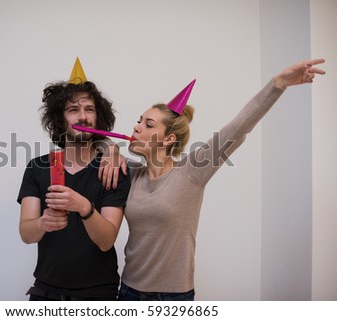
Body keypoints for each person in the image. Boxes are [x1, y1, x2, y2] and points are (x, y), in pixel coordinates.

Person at [113, 58, 326, 300]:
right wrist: (110, 151)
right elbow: (87, 155)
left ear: (168, 139)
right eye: (139, 121)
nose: (137, 127)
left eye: (148, 124)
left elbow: (237, 129)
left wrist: (277, 84)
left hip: (171, 297)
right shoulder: (129, 174)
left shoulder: (191, 171)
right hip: (128, 291)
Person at [17, 57, 131, 300]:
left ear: (98, 120)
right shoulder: (37, 167)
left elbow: (106, 241)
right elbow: (27, 234)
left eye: (89, 109)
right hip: (45, 292)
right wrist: (42, 223)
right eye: (73, 110)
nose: (82, 117)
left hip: (99, 294)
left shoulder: (113, 169)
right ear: (60, 120)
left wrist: (84, 207)